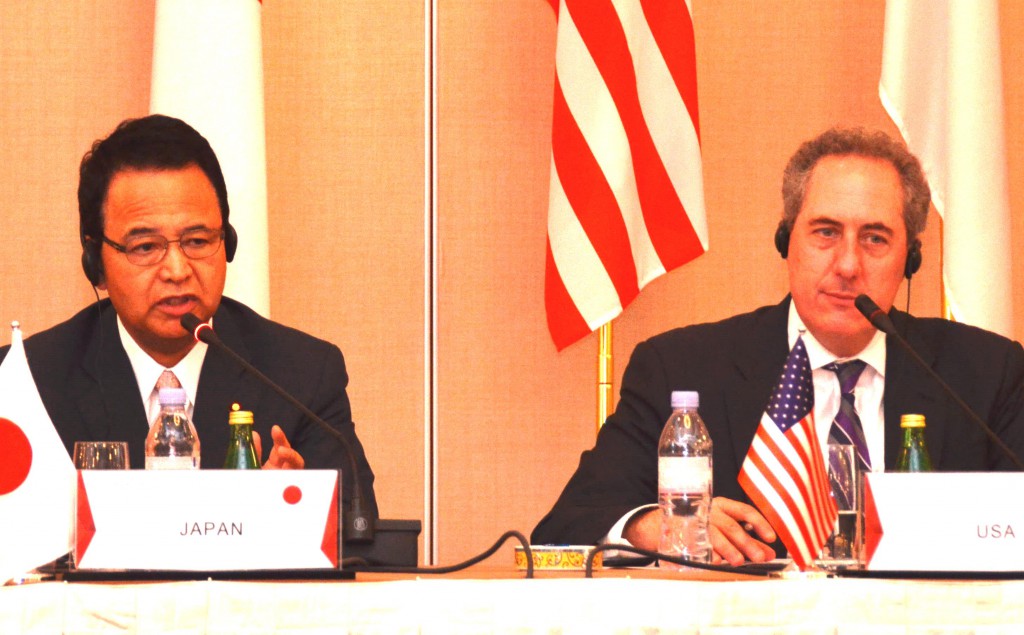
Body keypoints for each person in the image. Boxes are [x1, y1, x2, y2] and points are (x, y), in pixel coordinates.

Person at [531, 127, 1024, 565]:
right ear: (786, 241)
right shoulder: (682, 367)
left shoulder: (985, 373)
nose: (848, 265)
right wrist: (652, 528)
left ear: (910, 259)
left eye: (875, 238)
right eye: (826, 233)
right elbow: (565, 528)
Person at [0, 114, 377, 515]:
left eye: (197, 241)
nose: (177, 271)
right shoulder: (27, 384)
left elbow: (361, 543)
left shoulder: (300, 376)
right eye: (145, 247)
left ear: (227, 243)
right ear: (96, 264)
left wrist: (292, 518)